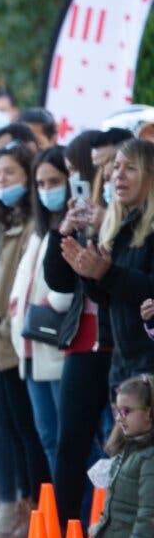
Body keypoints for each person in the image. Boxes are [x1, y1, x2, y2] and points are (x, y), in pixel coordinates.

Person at [0, 142, 49, 538]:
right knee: (16, 432)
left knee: (31, 434)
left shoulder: (35, 225)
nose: (1, 181)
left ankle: (39, 515)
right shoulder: (9, 223)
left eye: (10, 173)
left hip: (16, 343)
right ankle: (27, 512)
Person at [44, 131, 114, 528]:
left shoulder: (133, 216)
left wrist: (109, 225)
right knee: (68, 443)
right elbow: (59, 280)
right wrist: (65, 232)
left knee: (117, 444)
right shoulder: (80, 213)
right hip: (81, 339)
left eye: (81, 169)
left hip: (122, 342)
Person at [63, 139, 154, 388]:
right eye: (116, 167)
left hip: (148, 364)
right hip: (123, 363)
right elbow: (109, 300)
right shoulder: (121, 227)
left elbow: (148, 294)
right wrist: (89, 273)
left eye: (131, 168)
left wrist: (107, 272)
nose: (118, 176)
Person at [9, 146, 69, 476]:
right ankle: (61, 519)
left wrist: (49, 304)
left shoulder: (73, 226)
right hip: (31, 348)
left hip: (59, 346)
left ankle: (83, 518)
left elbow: (64, 292)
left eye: (55, 181)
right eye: (41, 184)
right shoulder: (40, 232)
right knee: (47, 437)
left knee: (69, 440)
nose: (47, 190)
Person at [91, 375, 154, 538]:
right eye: (117, 411)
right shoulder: (129, 450)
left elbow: (148, 516)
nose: (119, 418)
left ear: (148, 414)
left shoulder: (149, 458)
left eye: (127, 411)